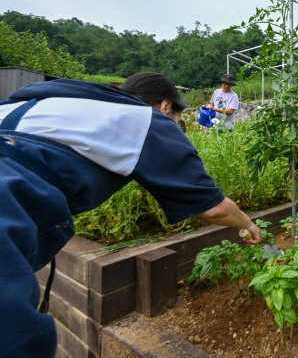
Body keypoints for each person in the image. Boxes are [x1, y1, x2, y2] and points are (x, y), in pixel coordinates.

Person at [0, 72, 262, 357]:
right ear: (165, 107)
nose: (176, 127)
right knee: (18, 339)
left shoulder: (59, 100)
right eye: (177, 119)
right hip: (7, 198)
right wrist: (248, 223)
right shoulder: (147, 120)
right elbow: (213, 206)